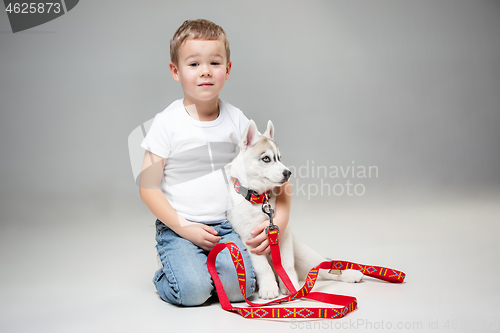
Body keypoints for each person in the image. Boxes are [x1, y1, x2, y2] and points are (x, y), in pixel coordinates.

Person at [139, 19, 292, 306]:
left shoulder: (237, 121)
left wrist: (279, 222)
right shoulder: (166, 123)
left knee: (241, 292)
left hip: (226, 225)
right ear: (175, 71)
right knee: (193, 291)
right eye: (194, 64)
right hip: (180, 228)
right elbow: (148, 188)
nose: (206, 71)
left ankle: (207, 270)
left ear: (228, 69)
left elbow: (276, 174)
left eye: (215, 62)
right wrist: (183, 228)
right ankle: (170, 275)